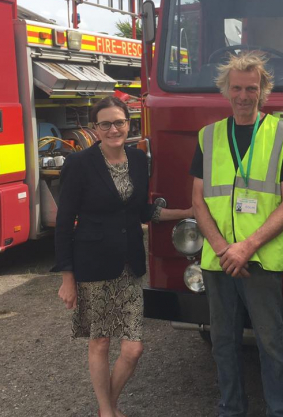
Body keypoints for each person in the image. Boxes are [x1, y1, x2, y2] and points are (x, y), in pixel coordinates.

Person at [54, 96, 193, 417]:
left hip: (130, 267)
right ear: (94, 129)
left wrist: (186, 211)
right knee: (100, 342)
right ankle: (107, 411)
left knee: (133, 349)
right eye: (106, 123)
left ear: (129, 124)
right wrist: (67, 277)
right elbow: (64, 223)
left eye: (119, 122)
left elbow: (141, 210)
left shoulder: (138, 159)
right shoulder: (79, 164)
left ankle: (109, 405)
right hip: (93, 265)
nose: (113, 129)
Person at [190, 51, 283, 417]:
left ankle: (282, 411)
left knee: (271, 344)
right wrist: (224, 248)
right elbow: (198, 201)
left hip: (259, 259)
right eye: (237, 88)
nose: (244, 96)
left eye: (252, 89)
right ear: (226, 90)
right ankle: (231, 408)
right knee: (222, 343)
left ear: (264, 92)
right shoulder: (208, 136)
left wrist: (246, 247)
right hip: (218, 259)